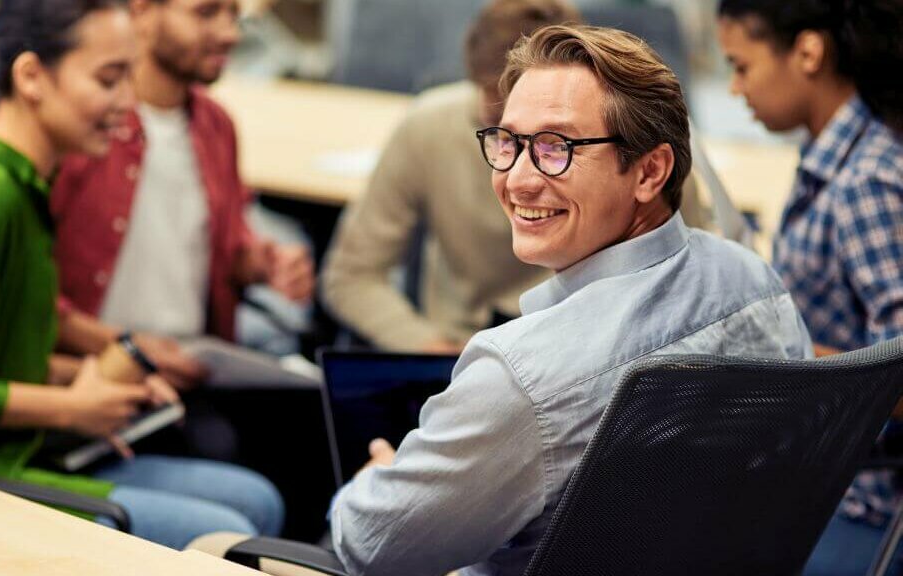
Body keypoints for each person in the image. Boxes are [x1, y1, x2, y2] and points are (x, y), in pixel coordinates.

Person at [327, 24, 812, 576]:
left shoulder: (522, 379)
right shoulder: (757, 285)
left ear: (651, 171)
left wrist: (372, 481)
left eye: (557, 148)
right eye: (508, 143)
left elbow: (375, 547)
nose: (518, 180)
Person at [0, 0, 281, 550]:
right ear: (31, 77)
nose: (126, 102)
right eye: (109, 79)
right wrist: (73, 407)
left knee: (256, 500)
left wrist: (88, 378)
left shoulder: (20, 185)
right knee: (231, 531)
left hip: (5, 449)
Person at [320, 0, 716, 354]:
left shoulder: (641, 146)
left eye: (554, 142)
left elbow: (694, 275)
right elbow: (351, 275)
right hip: (462, 348)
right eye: (503, 133)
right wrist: (430, 348)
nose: (518, 178)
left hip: (597, 351)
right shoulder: (429, 127)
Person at [716, 1, 903, 574]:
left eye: (742, 66)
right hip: (821, 480)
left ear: (808, 52)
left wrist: (784, 349)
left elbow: (898, 373)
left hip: (863, 504)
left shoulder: (865, 182)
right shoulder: (830, 157)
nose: (732, 88)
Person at [50, 0, 314, 364]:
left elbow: (213, 248)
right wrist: (133, 351)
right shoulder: (84, 125)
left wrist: (261, 264)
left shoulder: (216, 125)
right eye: (205, 13)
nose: (229, 34)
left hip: (193, 363)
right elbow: (27, 292)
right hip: (93, 369)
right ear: (141, 11)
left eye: (234, 15)